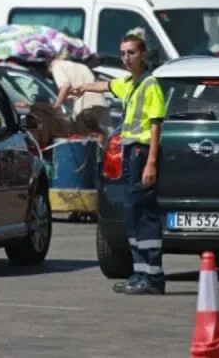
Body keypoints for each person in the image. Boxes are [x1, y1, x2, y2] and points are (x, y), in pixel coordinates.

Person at [69, 32, 167, 295]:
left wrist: (152, 163)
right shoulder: (130, 83)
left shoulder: (150, 85)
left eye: (131, 53)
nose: (126, 58)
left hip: (142, 153)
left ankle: (154, 277)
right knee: (131, 213)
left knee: (144, 213)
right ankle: (139, 273)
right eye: (123, 53)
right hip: (129, 152)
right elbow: (106, 86)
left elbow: (156, 125)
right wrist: (82, 88)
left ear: (142, 55)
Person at [48, 57, 111, 137]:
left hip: (84, 106)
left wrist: (56, 106)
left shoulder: (56, 66)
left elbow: (65, 85)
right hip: (101, 103)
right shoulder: (82, 66)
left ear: (50, 66)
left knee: (87, 141)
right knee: (106, 138)